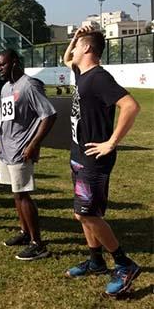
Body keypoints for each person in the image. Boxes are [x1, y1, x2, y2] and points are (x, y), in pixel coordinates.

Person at [63, 26, 141, 297]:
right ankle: (96, 261)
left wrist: (111, 142)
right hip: (79, 155)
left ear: (87, 49)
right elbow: (66, 59)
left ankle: (124, 264)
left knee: (88, 213)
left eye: (76, 45)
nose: (72, 49)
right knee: (80, 213)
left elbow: (131, 106)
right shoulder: (81, 73)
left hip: (94, 159)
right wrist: (75, 36)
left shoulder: (98, 77)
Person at [0, 49, 57, 261]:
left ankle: (37, 243)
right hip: (6, 149)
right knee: (16, 193)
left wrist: (33, 144)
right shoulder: (5, 88)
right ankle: (24, 233)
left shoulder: (30, 85)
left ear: (14, 62)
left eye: (2, 64)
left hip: (22, 149)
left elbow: (48, 115)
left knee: (23, 194)